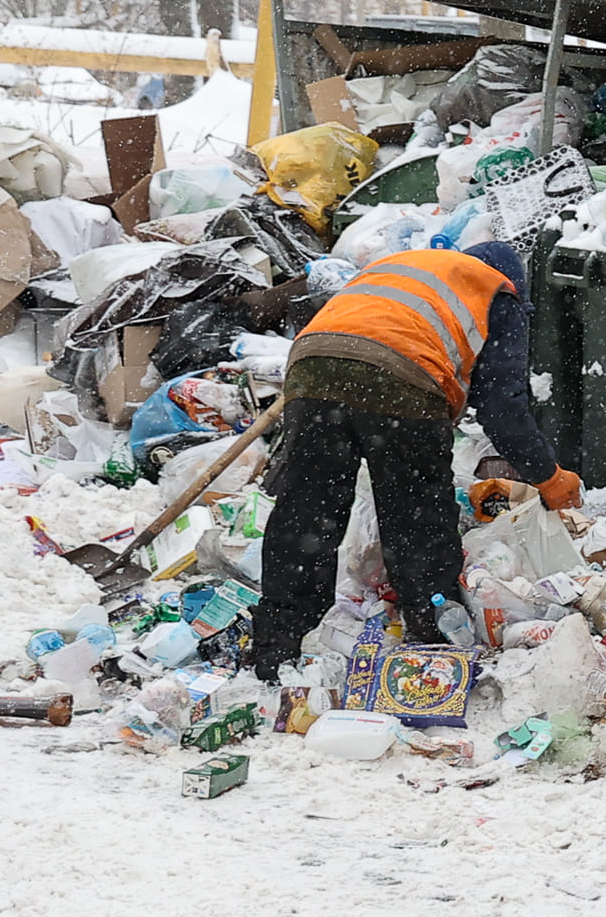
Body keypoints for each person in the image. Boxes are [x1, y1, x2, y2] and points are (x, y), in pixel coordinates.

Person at [247, 240, 582, 678]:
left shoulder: (404, 268)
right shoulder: (495, 290)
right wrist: (548, 475)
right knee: (415, 518)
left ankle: (276, 648)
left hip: (313, 363)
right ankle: (432, 646)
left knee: (307, 514)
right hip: (400, 375)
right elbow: (503, 409)